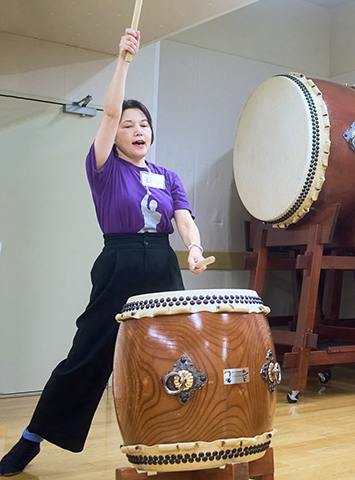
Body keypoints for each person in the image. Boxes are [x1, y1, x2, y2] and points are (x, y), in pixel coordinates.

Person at [1, 28, 208, 477]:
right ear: (114, 135)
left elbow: (184, 218)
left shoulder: (167, 175)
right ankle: (31, 439)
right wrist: (124, 61)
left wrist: (193, 248)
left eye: (144, 124)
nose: (137, 130)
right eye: (128, 125)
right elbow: (111, 110)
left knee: (175, 358)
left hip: (163, 267)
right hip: (119, 264)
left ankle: (174, 439)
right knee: (87, 356)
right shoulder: (104, 168)